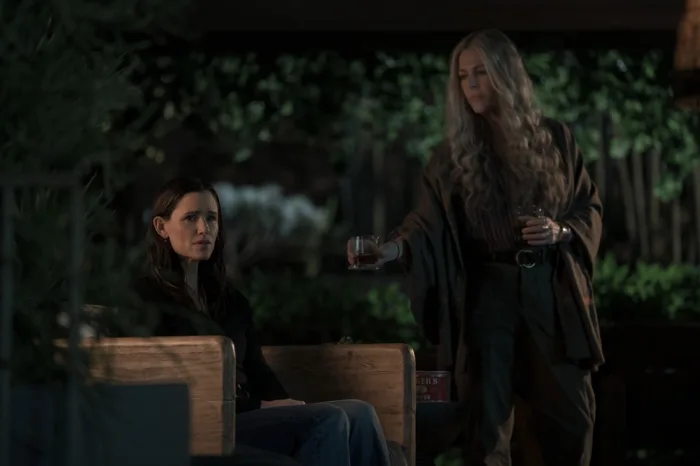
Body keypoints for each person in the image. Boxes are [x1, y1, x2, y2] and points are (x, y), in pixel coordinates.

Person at [347, 29, 603, 466]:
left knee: (572, 419)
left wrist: (559, 231)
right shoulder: (452, 157)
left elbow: (588, 207)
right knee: (486, 425)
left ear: (506, 74)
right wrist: (389, 251)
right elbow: (425, 227)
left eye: (481, 72)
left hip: (549, 289)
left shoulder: (556, 140)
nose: (471, 84)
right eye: (463, 76)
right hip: (487, 294)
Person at [134, 177, 392, 466]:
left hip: (247, 415)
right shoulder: (145, 298)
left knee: (360, 412)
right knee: (328, 419)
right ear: (162, 227)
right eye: (191, 218)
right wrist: (261, 405)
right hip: (201, 423)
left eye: (211, 218)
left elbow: (258, 371)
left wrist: (285, 404)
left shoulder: (230, 300)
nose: (204, 229)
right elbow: (162, 381)